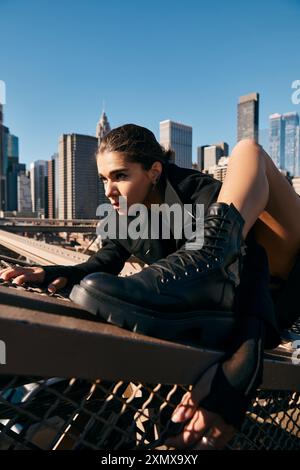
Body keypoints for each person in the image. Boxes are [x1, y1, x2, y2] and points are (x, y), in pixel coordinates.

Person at [1, 124, 299, 449]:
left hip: (276, 285)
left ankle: (210, 260)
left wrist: (244, 363)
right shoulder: (123, 216)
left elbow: (252, 261)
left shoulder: (196, 191)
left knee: (248, 151)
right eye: (103, 179)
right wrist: (52, 273)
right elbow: (103, 263)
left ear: (154, 171)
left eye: (120, 176)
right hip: (228, 301)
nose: (108, 190)